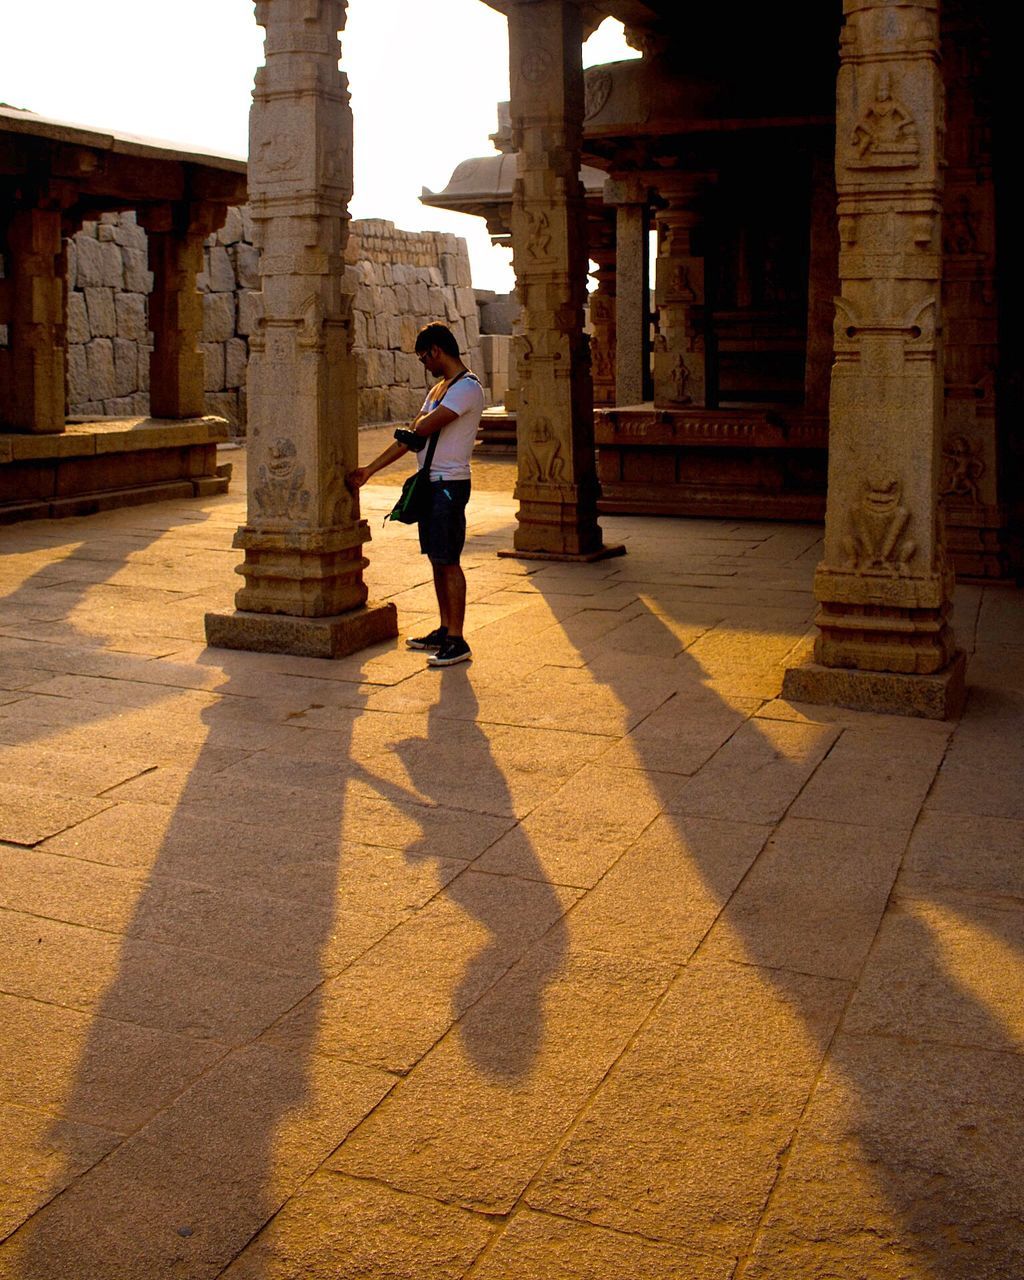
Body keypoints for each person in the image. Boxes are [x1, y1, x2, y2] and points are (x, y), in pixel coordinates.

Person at [348, 322, 484, 667]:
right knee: (437, 559)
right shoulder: (440, 389)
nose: (425, 364)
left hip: (450, 485)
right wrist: (370, 471)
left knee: (449, 560)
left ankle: (457, 638)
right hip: (432, 483)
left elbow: (421, 427)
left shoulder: (467, 388)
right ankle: (444, 627)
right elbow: (411, 437)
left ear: (437, 351)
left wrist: (420, 422)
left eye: (425, 358)